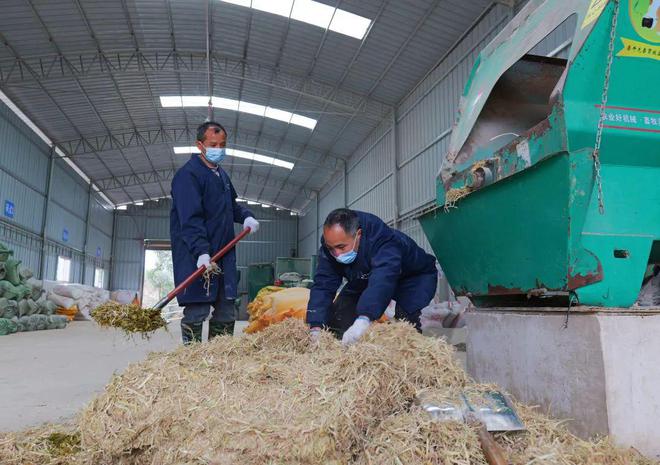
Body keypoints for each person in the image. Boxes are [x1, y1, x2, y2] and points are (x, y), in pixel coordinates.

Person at [170, 121, 259, 344]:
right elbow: (190, 220)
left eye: (222, 144)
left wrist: (246, 215)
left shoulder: (221, 175)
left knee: (227, 309)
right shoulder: (188, 176)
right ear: (200, 145)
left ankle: (220, 360)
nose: (218, 149)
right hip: (197, 257)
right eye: (213, 144)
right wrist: (201, 252)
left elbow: (232, 206)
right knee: (197, 309)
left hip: (223, 254)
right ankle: (192, 360)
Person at [307, 208, 437, 345]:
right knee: (338, 321)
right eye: (331, 248)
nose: (336, 254)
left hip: (413, 277)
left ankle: (411, 352)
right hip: (366, 277)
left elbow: (383, 278)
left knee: (405, 320)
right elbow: (323, 284)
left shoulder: (384, 240)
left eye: (341, 247)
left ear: (359, 235)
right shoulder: (330, 248)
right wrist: (316, 325)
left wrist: (364, 319)